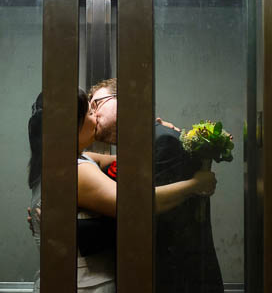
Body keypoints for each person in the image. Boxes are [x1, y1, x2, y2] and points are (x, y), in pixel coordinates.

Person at [28, 89, 215, 293]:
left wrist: (155, 131)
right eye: (91, 112)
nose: (96, 116)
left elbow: (132, 159)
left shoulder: (71, 159)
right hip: (88, 284)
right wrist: (196, 185)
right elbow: (135, 206)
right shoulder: (76, 170)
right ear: (73, 126)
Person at [89, 78, 226, 293]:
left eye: (96, 103)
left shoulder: (163, 140)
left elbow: (149, 216)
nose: (92, 113)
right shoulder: (142, 144)